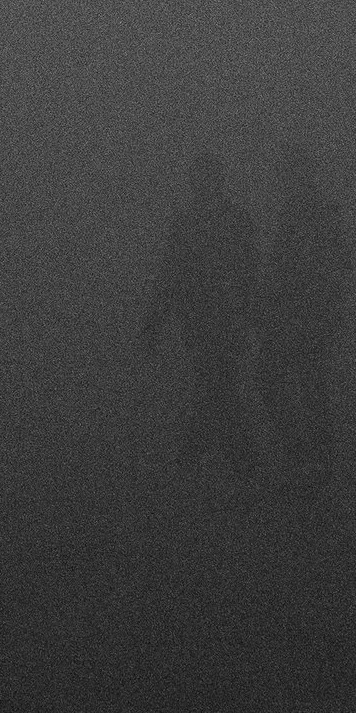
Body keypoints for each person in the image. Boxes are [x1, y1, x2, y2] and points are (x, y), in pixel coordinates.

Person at [138, 151, 261, 477]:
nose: (199, 184)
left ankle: (206, 461)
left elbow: (250, 275)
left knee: (215, 386)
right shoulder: (207, 223)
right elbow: (171, 275)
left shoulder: (227, 222)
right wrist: (155, 320)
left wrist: (155, 321)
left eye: (202, 178)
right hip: (204, 321)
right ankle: (234, 462)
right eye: (198, 178)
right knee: (218, 385)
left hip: (219, 320)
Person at [255, 146, 352, 505]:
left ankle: (306, 459)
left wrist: (275, 302)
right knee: (307, 382)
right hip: (313, 313)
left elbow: (295, 267)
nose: (282, 178)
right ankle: (315, 461)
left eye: (287, 171)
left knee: (278, 377)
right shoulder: (320, 211)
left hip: (302, 313)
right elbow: (342, 260)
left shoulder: (303, 213)